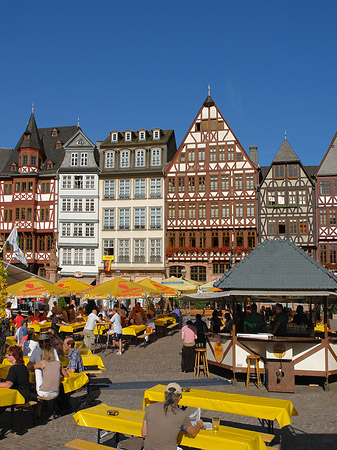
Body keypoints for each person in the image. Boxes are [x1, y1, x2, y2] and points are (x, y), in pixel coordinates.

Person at [141, 382, 203, 450]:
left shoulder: (151, 408)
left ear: (164, 395)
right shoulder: (182, 414)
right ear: (179, 398)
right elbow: (192, 433)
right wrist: (199, 424)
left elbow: (144, 433)